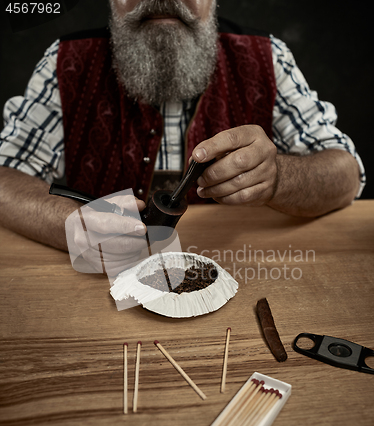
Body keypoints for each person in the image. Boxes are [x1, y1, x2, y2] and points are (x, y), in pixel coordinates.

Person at [0, 0, 366, 274]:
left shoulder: (267, 58)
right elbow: (4, 178)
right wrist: (69, 225)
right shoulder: (66, 61)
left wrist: (279, 177)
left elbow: (346, 173)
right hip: (99, 289)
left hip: (235, 277)